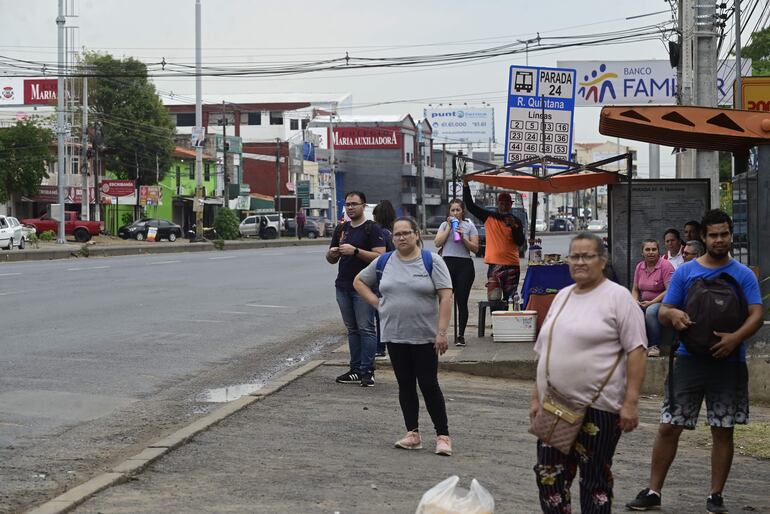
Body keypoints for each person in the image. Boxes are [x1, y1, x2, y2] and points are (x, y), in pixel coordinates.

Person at [626, 209, 763, 514]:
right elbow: (664, 311)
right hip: (688, 360)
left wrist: (735, 338)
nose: (719, 240)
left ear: (731, 235)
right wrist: (672, 314)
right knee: (668, 427)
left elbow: (756, 314)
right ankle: (653, 491)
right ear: (703, 237)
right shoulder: (686, 273)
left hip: (729, 362)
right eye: (713, 234)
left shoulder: (742, 275)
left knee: (723, 429)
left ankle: (715, 495)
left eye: (724, 234)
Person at [530, 232, 647, 514]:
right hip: (555, 405)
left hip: (599, 407)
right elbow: (543, 351)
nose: (579, 262)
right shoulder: (562, 296)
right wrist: (536, 398)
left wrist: (630, 402)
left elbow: (637, 350)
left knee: (594, 481)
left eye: (587, 256)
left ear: (603, 260)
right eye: (575, 256)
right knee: (549, 474)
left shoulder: (619, 298)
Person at [353, 216, 454, 455]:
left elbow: (446, 297)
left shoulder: (432, 261)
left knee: (429, 385)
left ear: (417, 234)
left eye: (406, 233)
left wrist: (442, 333)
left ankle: (443, 436)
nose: (401, 237)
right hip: (395, 335)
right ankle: (413, 433)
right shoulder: (384, 261)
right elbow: (359, 282)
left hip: (425, 337)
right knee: (405, 385)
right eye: (397, 234)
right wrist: (378, 304)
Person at [326, 191, 386, 387]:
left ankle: (368, 370)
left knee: (366, 328)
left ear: (363, 206)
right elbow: (330, 259)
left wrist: (356, 251)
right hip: (343, 285)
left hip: (364, 287)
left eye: (354, 204)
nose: (350, 207)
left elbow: (380, 257)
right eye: (347, 204)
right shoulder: (342, 229)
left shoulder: (372, 228)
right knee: (352, 329)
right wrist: (333, 253)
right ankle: (355, 369)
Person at [463, 180, 526, 304]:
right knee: (493, 300)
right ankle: (496, 323)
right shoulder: (489, 217)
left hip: (512, 266)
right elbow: (470, 206)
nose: (504, 206)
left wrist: (514, 227)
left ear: (511, 205)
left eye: (507, 204)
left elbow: (520, 242)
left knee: (511, 302)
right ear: (498, 204)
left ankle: (508, 322)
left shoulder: (516, 221)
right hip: (495, 266)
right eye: (502, 204)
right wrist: (465, 185)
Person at [434, 199, 479, 346]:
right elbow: (437, 243)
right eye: (452, 210)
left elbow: (475, 248)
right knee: (444, 300)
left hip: (464, 264)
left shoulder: (469, 226)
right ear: (449, 212)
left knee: (462, 301)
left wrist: (463, 237)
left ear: (462, 211)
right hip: (447, 263)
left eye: (457, 210)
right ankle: (441, 333)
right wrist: (448, 228)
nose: (455, 213)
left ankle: (461, 335)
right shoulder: (443, 225)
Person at [631, 239, 675, 358]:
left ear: (658, 251)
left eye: (654, 249)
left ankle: (654, 346)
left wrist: (652, 302)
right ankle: (635, 346)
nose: (651, 252)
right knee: (631, 311)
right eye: (648, 250)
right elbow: (635, 289)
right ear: (642, 253)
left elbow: (670, 290)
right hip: (644, 302)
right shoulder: (639, 266)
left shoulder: (665, 265)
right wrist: (634, 301)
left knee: (650, 311)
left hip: (663, 303)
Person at [372, 200, 396, 358]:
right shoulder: (392, 233)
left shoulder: (379, 232)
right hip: (391, 276)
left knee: (379, 314)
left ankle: (380, 347)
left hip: (380, 277)